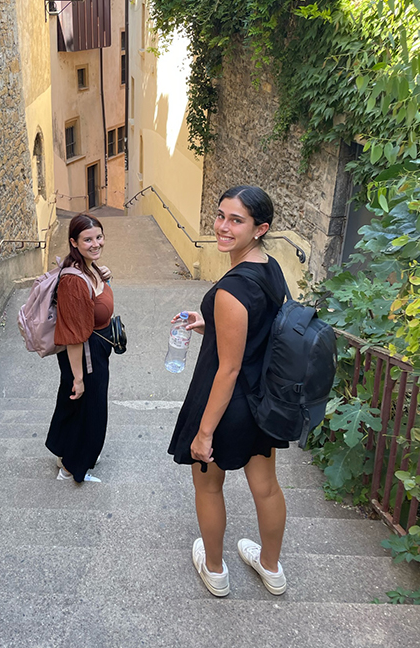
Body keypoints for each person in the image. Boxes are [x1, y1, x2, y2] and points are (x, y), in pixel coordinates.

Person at [168, 185, 289, 597]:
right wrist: (211, 324)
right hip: (264, 399)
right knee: (266, 487)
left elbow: (229, 367)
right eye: (221, 215)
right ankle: (271, 568)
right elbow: (260, 325)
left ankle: (215, 570)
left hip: (227, 404)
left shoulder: (231, 288)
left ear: (260, 227)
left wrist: (204, 433)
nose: (222, 226)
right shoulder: (269, 267)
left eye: (236, 220)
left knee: (208, 485)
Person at [45, 214, 114, 483]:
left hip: (95, 351)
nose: (95, 244)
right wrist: (78, 378)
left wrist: (105, 276)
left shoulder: (90, 267)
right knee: (88, 409)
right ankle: (72, 468)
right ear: (74, 242)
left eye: (99, 237)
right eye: (87, 239)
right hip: (85, 355)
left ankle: (65, 452)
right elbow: (73, 336)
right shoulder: (74, 281)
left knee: (76, 407)